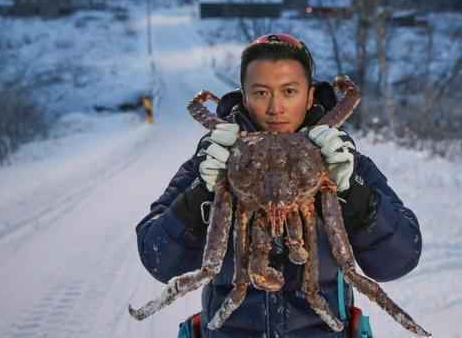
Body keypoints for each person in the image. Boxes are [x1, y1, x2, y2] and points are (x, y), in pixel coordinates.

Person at [135, 33, 423, 337]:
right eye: (261, 93)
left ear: (310, 96)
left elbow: (399, 259)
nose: (275, 108)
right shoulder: (211, 163)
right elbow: (158, 259)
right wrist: (201, 193)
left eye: (289, 91)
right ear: (244, 96)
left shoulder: (343, 164)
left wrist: (353, 191)